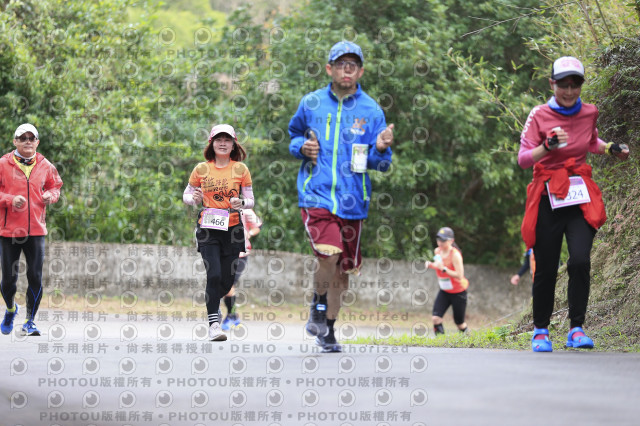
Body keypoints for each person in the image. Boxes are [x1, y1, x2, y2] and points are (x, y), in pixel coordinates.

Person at [518, 56, 630, 352]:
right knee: (546, 266)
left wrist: (611, 148)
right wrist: (547, 146)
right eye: (563, 84)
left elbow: (591, 141)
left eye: (575, 84)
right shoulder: (539, 115)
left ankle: (576, 329)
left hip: (578, 196)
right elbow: (523, 159)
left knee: (580, 260)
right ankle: (540, 331)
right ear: (552, 83)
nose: (569, 91)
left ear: (581, 85)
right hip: (548, 197)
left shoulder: (589, 112)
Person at [288, 40, 394, 353]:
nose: (346, 70)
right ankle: (317, 306)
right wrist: (301, 147)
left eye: (352, 65)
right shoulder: (311, 103)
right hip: (316, 194)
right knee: (328, 253)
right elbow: (293, 135)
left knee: (342, 271)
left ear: (360, 71)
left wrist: (381, 149)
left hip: (353, 200)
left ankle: (328, 330)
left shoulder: (371, 110)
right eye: (340, 64)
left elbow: (381, 164)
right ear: (329, 69)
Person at [183, 124, 254, 341]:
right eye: (218, 140)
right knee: (213, 275)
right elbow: (186, 195)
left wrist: (241, 203)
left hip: (232, 229)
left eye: (227, 140)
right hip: (208, 228)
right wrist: (193, 199)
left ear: (233, 145)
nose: (223, 143)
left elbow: (251, 200)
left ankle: (214, 301)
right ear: (212, 143)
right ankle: (214, 324)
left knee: (226, 281)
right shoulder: (201, 169)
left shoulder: (241, 169)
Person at [1, 123, 63, 336]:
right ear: (15, 141)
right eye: (22, 137)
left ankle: (30, 321)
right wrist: (10, 199)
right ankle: (11, 309)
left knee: (35, 276)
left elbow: (55, 187)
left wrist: (50, 196)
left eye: (31, 138)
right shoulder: (3, 164)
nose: (27, 141)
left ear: (37, 142)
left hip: (36, 230)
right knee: (8, 280)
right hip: (9, 231)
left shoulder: (45, 165)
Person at [221, 208, 262, 331]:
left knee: (228, 284)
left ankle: (231, 315)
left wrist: (250, 233)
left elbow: (257, 226)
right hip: (223, 252)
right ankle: (233, 315)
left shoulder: (245, 210)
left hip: (240, 254)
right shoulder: (218, 207)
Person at [425, 227, 469, 335]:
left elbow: (459, 275)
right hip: (444, 291)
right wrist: (431, 265)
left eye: (443, 240)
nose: (440, 242)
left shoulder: (455, 255)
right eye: (438, 239)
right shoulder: (437, 251)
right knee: (436, 318)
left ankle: (470, 340)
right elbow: (439, 266)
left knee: (459, 323)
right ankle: (441, 341)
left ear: (451, 241)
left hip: (458, 292)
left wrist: (444, 269)